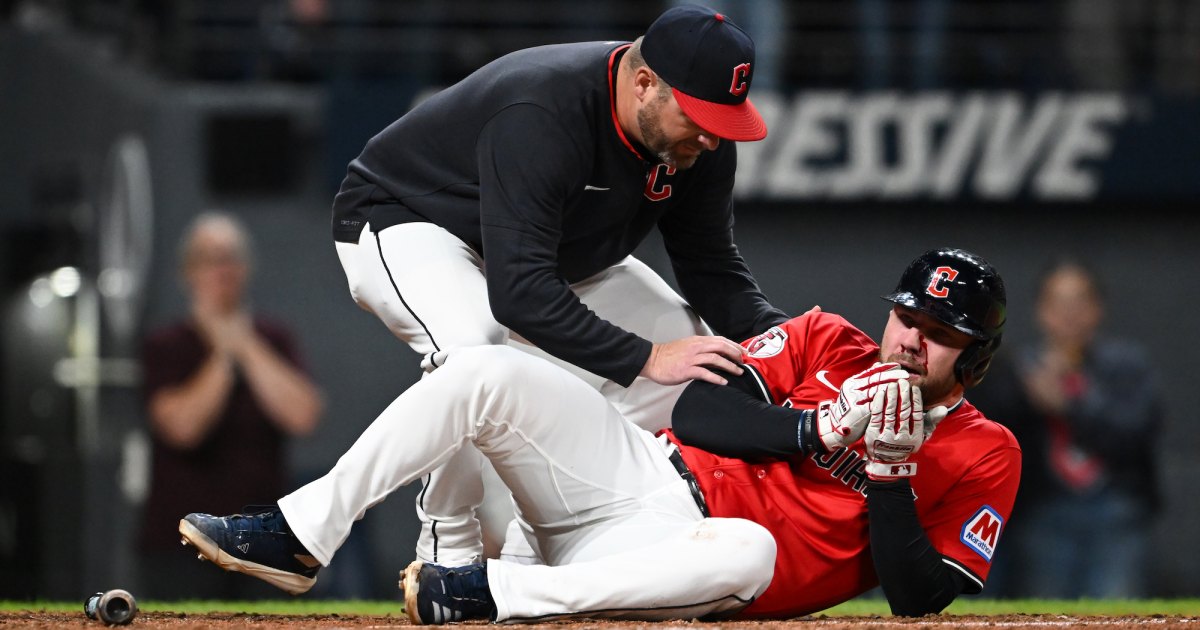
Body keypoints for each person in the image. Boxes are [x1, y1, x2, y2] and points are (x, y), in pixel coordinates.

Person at [178, 247, 1020, 621]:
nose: (910, 338)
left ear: (972, 359)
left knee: (749, 552)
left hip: (694, 561)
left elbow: (917, 597)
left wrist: (888, 469)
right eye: (906, 315)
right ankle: (303, 531)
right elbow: (696, 411)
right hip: (636, 479)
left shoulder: (987, 451)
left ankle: (490, 593)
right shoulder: (828, 339)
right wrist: (815, 424)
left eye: (938, 333)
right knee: (481, 366)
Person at [328, 3, 786, 565]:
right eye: (698, 117)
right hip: (409, 221)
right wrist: (646, 355)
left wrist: (790, 339)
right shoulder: (545, 105)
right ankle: (448, 542)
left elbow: (710, 265)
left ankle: (535, 549)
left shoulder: (698, 136)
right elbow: (519, 293)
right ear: (644, 84)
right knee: (475, 350)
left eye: (722, 120)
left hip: (545, 257)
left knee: (692, 351)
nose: (712, 139)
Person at [137, 211, 324, 599]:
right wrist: (224, 353)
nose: (222, 270)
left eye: (231, 258)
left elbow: (304, 415)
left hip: (262, 544)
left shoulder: (273, 339)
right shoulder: (167, 345)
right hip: (179, 545)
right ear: (187, 271)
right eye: (209, 259)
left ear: (246, 268)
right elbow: (183, 429)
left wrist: (245, 344)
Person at [969, 258, 1162, 599]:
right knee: (1047, 610)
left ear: (1097, 308)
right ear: (1040, 310)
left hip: (1115, 513)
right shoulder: (1016, 368)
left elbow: (1136, 433)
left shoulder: (1126, 366)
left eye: (1079, 302)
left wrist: (1071, 406)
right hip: (1043, 513)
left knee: (1118, 608)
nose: (1069, 314)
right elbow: (988, 438)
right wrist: (1025, 397)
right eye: (1058, 303)